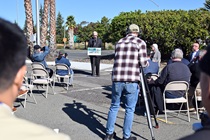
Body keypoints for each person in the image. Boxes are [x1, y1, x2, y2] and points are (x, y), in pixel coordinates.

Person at [0, 18, 70, 140]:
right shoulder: (47, 137)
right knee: (50, 71)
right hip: (44, 72)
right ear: (20, 74)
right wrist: (45, 47)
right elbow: (47, 51)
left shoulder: (33, 56)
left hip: (37, 72)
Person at [104, 24, 148, 140]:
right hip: (131, 79)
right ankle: (126, 136)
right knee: (129, 109)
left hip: (117, 78)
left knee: (114, 106)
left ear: (127, 31)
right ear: (138, 32)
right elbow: (143, 63)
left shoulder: (119, 42)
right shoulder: (140, 43)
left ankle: (109, 133)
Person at [180, 46, 210, 140]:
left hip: (194, 86)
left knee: (190, 91)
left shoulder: (195, 66)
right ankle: (199, 107)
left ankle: (190, 106)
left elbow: (188, 73)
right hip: (199, 89)